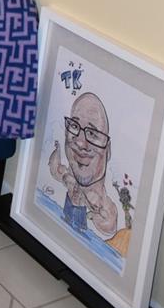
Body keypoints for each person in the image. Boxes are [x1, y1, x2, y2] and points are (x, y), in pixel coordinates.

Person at [48, 92, 118, 238]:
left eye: (92, 134)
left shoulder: (104, 209)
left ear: (108, 150)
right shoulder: (65, 178)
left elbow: (110, 227)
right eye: (74, 126)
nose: (80, 142)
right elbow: (55, 169)